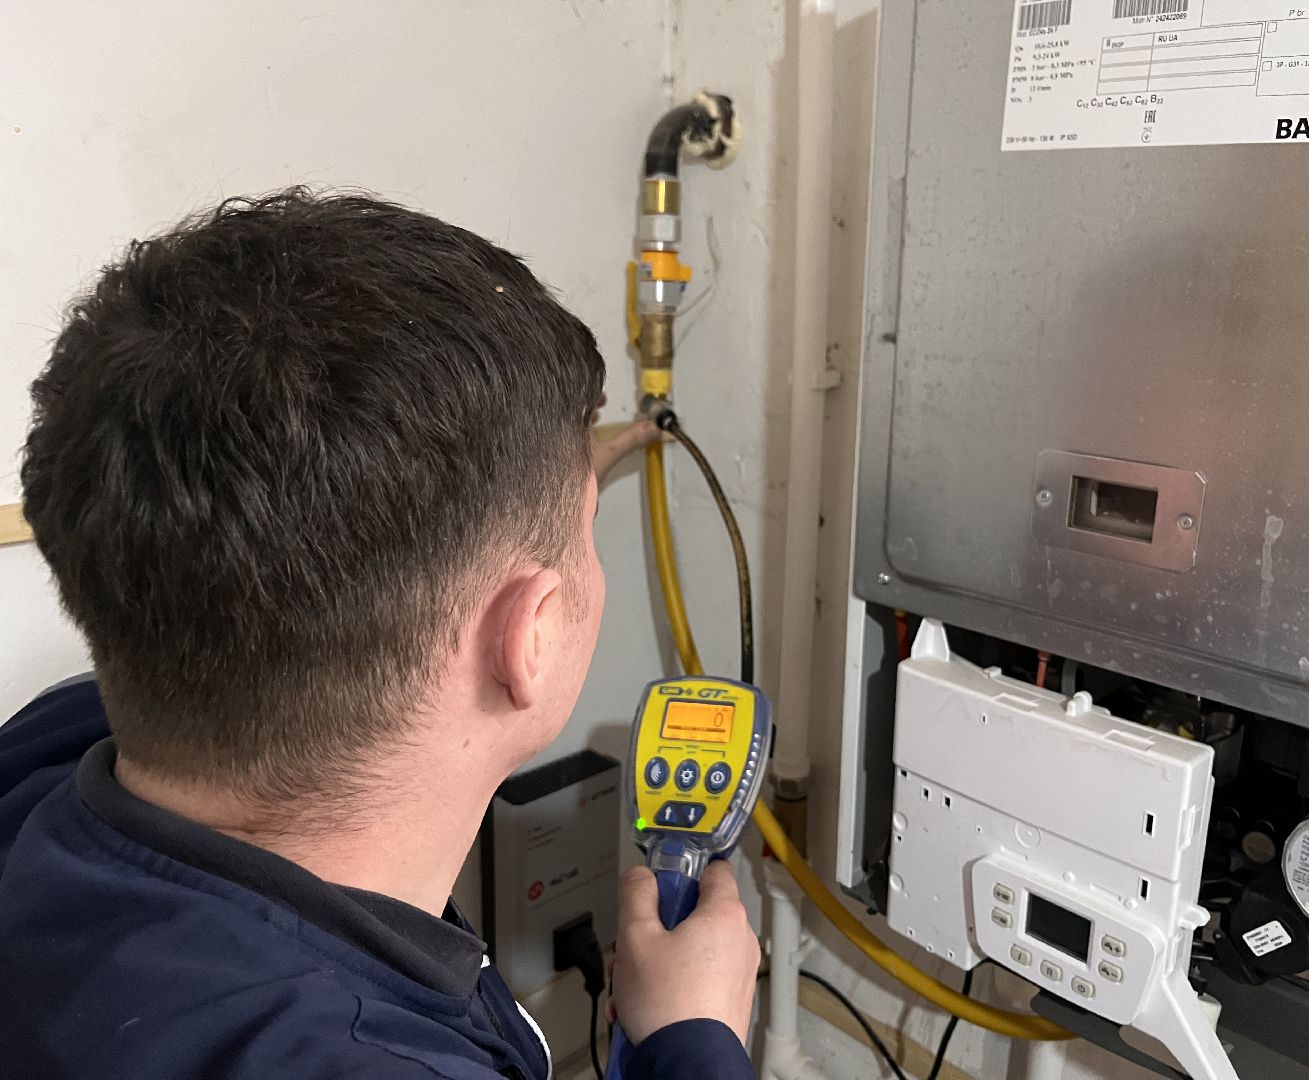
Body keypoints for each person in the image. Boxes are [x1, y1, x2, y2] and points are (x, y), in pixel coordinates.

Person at [0, 190, 761, 1080]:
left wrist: (528, 486)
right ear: (527, 636)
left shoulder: (50, 753)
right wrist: (694, 1045)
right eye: (586, 526)